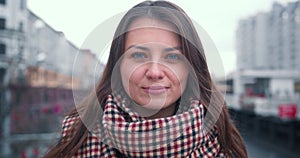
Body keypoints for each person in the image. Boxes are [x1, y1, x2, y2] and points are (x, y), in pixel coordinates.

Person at [45, 1, 247, 157]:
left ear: (191, 68)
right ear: (118, 65)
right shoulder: (76, 140)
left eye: (172, 57)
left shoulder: (223, 144)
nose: (155, 72)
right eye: (139, 55)